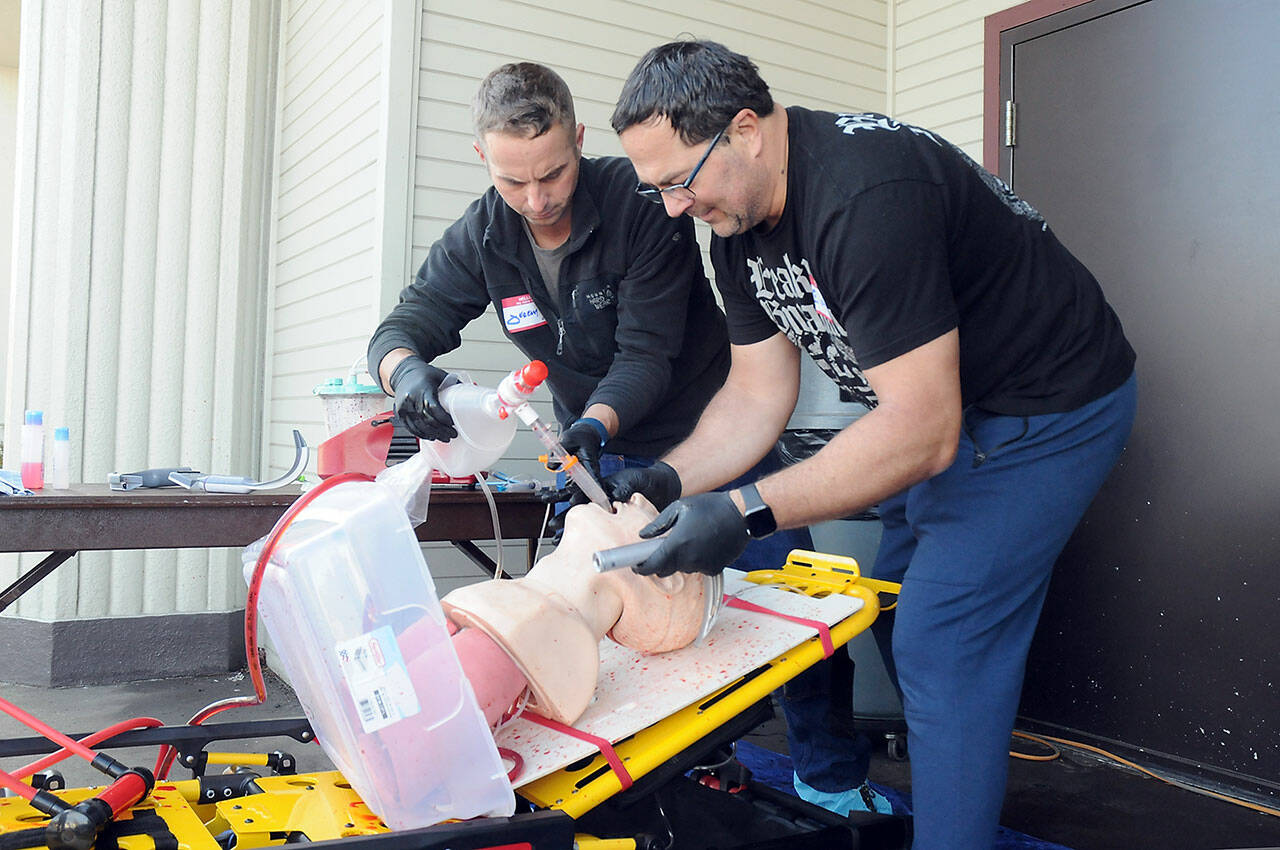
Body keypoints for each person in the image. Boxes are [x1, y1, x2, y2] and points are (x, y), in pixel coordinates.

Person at [606, 40, 1137, 849]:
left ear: (745, 130)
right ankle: (942, 767)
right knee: (882, 600)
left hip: (1049, 408)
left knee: (941, 642)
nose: (674, 208)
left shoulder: (865, 195)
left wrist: (745, 510)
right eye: (656, 191)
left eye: (679, 181)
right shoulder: (737, 227)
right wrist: (668, 478)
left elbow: (922, 434)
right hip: (943, 409)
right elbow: (755, 395)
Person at [367, 62, 730, 508]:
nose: (536, 201)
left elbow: (645, 356)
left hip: (712, 437)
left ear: (577, 140)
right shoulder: (483, 234)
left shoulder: (641, 205)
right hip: (589, 450)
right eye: (513, 181)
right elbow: (405, 324)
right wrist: (402, 372)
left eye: (553, 174)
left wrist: (591, 428)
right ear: (484, 158)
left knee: (756, 578)